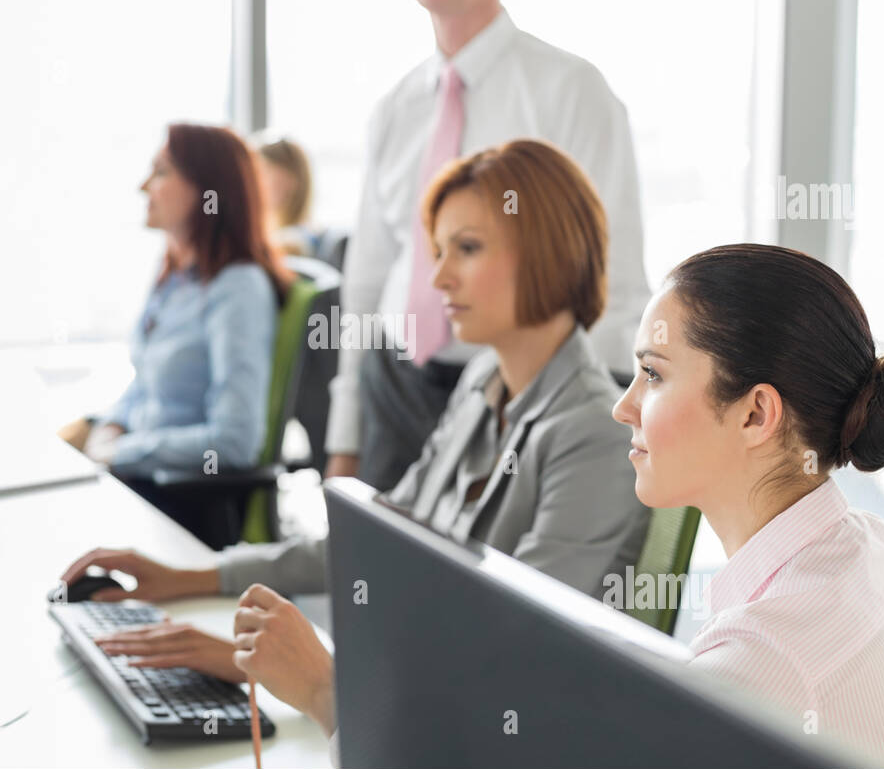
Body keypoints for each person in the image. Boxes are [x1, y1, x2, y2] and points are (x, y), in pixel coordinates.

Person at [234, 244, 884, 769]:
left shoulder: (761, 670)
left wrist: (330, 695)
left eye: (653, 376)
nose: (624, 407)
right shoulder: (879, 550)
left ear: (756, 415)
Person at [60, 140, 649, 683]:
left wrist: (305, 673)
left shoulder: (593, 432)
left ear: (549, 250)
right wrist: (193, 578)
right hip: (410, 689)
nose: (439, 278)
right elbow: (380, 534)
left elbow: (508, 645)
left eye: (467, 249)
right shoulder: (481, 387)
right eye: (438, 252)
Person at [325, 0, 650, 492]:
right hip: (396, 383)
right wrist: (344, 439)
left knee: (486, 580)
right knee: (368, 572)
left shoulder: (570, 91)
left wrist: (573, 427)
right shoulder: (396, 109)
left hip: (523, 395)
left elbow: (614, 279)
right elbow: (367, 281)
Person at [57, 124, 293, 537]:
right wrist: (110, 425)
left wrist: (121, 452)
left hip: (179, 501)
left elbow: (235, 442)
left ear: (207, 191)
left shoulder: (238, 289)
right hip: (137, 479)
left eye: (161, 172)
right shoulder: (175, 278)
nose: (143, 186)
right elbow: (144, 384)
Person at [255, 134, 318, 257]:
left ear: (291, 181)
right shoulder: (275, 234)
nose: (253, 182)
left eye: (263, 172)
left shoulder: (292, 241)